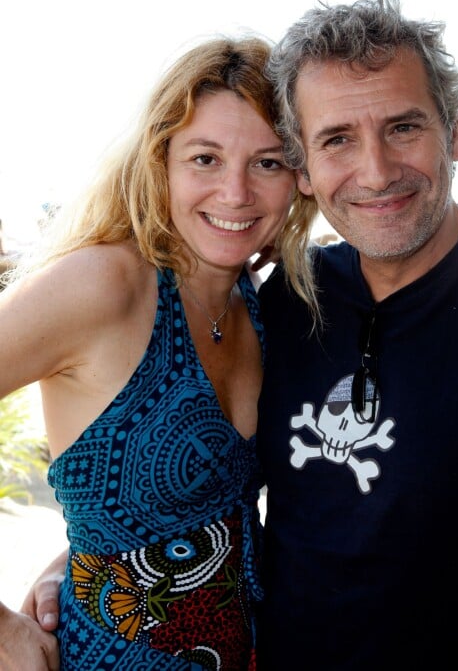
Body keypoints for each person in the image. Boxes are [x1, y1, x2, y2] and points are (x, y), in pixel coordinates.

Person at [255, 0, 458, 670]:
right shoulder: (290, 295)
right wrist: (68, 567)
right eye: (338, 139)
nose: (376, 172)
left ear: (453, 133)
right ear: (304, 170)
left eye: (404, 127)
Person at [0, 35, 317, 670]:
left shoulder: (259, 302)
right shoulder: (105, 284)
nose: (235, 193)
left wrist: (78, 550)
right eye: (205, 158)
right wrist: (4, 632)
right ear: (160, 161)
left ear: (300, 178)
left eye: (268, 162)